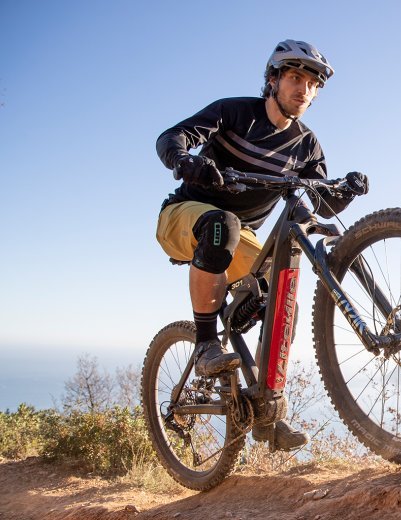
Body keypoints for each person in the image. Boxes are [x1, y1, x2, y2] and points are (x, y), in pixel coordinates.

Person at [155, 39, 368, 451]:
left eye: (312, 84)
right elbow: (171, 137)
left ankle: (266, 409)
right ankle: (204, 344)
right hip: (185, 215)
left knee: (282, 302)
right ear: (272, 80)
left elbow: (319, 198)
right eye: (294, 78)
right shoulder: (235, 112)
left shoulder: (306, 144)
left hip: (242, 238)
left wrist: (348, 189)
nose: (303, 89)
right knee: (224, 224)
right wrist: (186, 160)